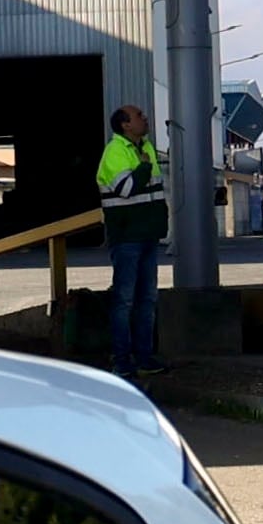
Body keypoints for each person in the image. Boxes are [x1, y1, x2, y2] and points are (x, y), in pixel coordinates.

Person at [95, 102, 166, 374]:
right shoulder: (115, 152)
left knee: (146, 299)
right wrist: (144, 168)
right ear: (125, 125)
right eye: (139, 115)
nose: (145, 118)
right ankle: (122, 360)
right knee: (125, 300)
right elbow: (125, 188)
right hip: (127, 238)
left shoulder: (145, 148)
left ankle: (144, 358)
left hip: (147, 235)